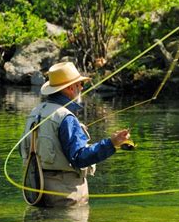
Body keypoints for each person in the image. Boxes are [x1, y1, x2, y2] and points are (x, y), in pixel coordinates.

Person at [20, 61, 130, 207]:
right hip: (65, 195)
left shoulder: (35, 112)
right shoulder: (66, 117)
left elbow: (23, 150)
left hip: (36, 192)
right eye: (80, 85)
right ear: (71, 88)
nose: (82, 88)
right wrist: (112, 143)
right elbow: (80, 158)